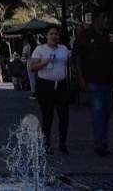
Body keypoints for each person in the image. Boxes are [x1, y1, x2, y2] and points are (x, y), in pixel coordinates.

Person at [73, 7, 113, 157]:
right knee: (98, 110)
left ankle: (103, 140)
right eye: (103, 17)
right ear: (96, 19)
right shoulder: (84, 36)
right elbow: (77, 56)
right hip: (93, 80)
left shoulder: (112, 35)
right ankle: (100, 143)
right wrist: (81, 77)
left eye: (107, 18)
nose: (106, 21)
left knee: (106, 112)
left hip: (109, 79)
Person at [30, 25, 71, 155]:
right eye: (51, 34)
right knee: (48, 115)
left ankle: (62, 142)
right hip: (45, 85)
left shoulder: (64, 49)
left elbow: (70, 63)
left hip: (60, 85)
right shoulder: (40, 49)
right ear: (46, 36)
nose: (54, 36)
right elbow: (32, 67)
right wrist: (43, 63)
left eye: (56, 34)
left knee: (64, 114)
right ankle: (46, 143)